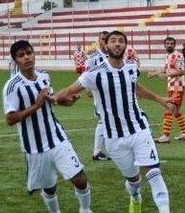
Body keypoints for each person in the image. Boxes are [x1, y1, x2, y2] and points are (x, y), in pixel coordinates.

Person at [56, 31, 175, 213]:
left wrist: (160, 99)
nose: (117, 44)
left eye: (121, 41)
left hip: (139, 129)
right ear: (106, 46)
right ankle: (135, 198)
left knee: (154, 173)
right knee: (134, 181)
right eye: (113, 41)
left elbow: (135, 87)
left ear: (125, 46)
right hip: (114, 138)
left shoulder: (131, 68)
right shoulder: (93, 74)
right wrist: (64, 101)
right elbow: (64, 93)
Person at [3, 40, 91, 213]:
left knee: (79, 178)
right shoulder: (12, 86)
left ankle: (85, 209)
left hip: (57, 137)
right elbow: (10, 119)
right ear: (16, 61)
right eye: (21, 55)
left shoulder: (44, 76)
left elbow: (51, 101)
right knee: (49, 187)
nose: (27, 57)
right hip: (35, 147)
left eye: (29, 53)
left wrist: (66, 102)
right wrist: (36, 106)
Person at [149, 37, 185, 143]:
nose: (169, 45)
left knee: (169, 110)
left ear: (174, 45)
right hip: (172, 86)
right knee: (176, 112)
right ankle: (184, 133)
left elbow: (182, 71)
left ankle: (166, 136)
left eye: (171, 43)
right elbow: (166, 69)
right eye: (167, 43)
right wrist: (154, 73)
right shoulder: (168, 56)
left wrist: (166, 74)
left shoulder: (178, 55)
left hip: (177, 87)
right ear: (164, 45)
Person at [86, 31, 112, 161]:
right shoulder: (93, 58)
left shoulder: (115, 57)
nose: (105, 41)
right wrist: (89, 89)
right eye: (102, 39)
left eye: (107, 39)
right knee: (103, 121)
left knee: (110, 121)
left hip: (113, 96)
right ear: (99, 40)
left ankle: (110, 150)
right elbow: (86, 76)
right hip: (100, 96)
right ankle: (97, 152)